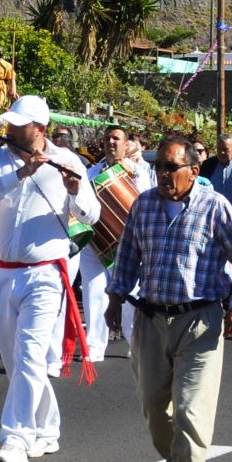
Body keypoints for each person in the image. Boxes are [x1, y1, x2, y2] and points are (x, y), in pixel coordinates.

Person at [106, 134, 232, 462]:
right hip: (152, 318)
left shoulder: (215, 206)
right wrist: (115, 298)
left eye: (171, 167)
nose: (163, 174)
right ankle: (179, 458)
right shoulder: (144, 206)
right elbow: (127, 256)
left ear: (194, 169)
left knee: (191, 408)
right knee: (154, 405)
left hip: (200, 320)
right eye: (159, 167)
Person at [0, 94, 100, 462]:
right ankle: (47, 427)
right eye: (9, 123)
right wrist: (20, 173)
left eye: (18, 125)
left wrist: (75, 189)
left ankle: (16, 437)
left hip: (45, 273)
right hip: (1, 271)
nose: (9, 129)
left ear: (39, 130)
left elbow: (92, 214)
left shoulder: (67, 160)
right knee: (14, 362)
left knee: (30, 356)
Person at [81, 125, 154, 356]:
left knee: (131, 294)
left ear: (126, 144)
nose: (111, 142)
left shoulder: (139, 171)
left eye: (116, 138)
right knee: (93, 293)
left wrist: (128, 174)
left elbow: (146, 201)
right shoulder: (91, 172)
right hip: (96, 242)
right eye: (107, 138)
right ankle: (94, 346)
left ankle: (135, 345)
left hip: (128, 243)